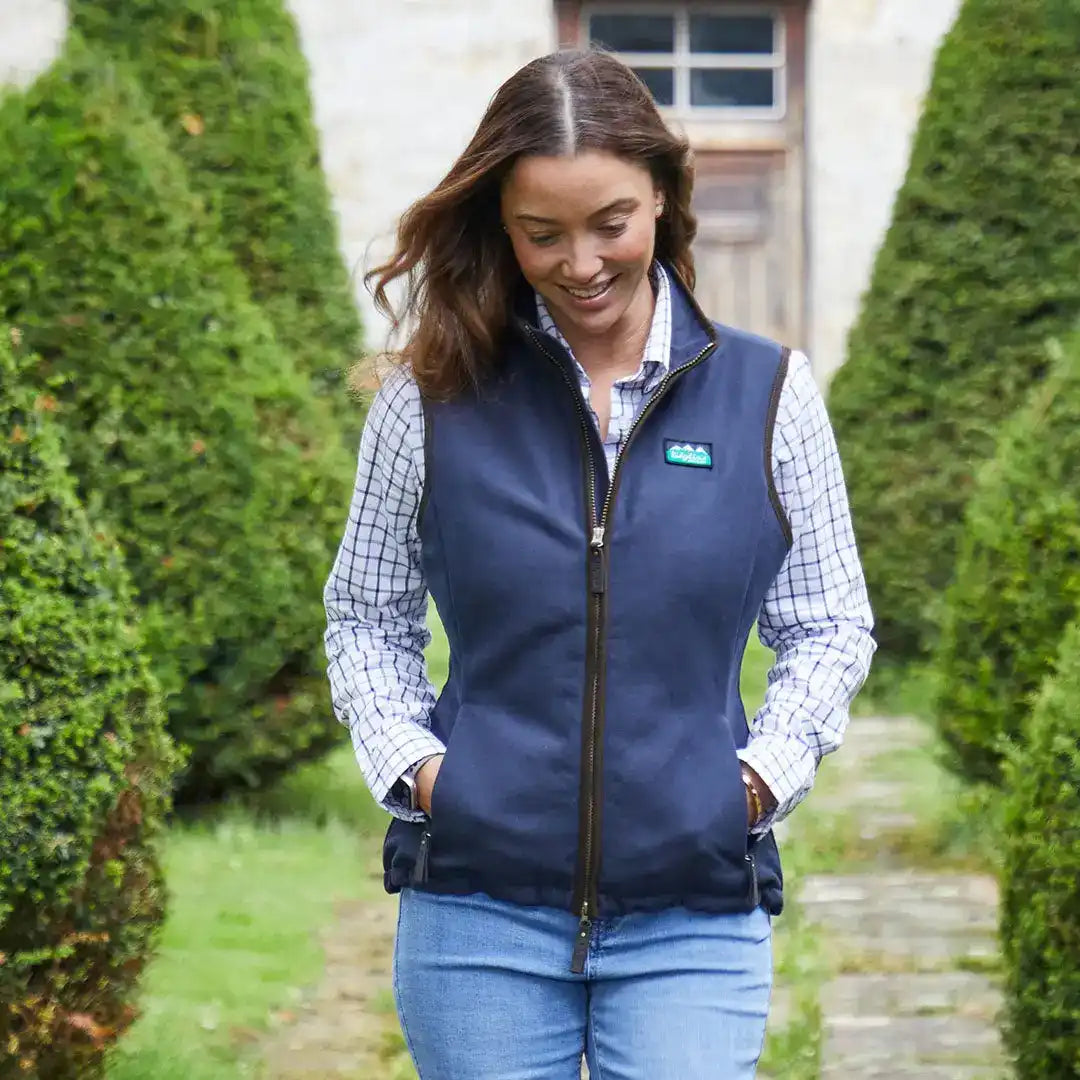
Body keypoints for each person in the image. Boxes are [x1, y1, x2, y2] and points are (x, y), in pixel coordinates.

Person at [324, 48, 875, 1080]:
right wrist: (422, 772)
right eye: (543, 234)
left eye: (609, 223)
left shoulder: (770, 397)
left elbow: (831, 620)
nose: (581, 263)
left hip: (692, 917)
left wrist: (755, 783)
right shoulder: (427, 402)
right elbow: (366, 613)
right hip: (477, 913)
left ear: (662, 197)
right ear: (502, 225)